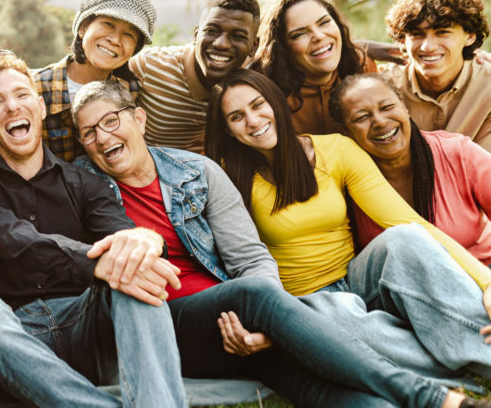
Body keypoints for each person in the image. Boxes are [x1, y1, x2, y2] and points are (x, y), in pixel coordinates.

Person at [72, 79, 479, 408]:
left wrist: (261, 328)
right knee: (260, 297)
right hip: (169, 320)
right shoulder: (84, 188)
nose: (101, 136)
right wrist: (263, 310)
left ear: (139, 119)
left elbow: (249, 256)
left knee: (310, 383)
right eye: (88, 132)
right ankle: (429, 395)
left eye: (110, 121)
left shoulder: (196, 172)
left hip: (238, 316)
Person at [206, 69, 491, 379]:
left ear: (275, 102)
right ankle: (449, 367)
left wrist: (487, 283)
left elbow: (408, 221)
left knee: (404, 237)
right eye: (236, 116)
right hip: (304, 302)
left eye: (258, 104)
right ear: (228, 131)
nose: (252, 120)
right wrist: (273, 322)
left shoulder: (336, 150)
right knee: (342, 320)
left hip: (358, 280)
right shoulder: (226, 177)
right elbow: (234, 261)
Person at [0, 51, 185, 407]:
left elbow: (123, 234)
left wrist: (144, 240)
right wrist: (94, 263)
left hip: (86, 323)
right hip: (15, 335)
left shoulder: (85, 181)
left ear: (40, 108)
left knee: (132, 273)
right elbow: (10, 237)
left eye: (21, 95)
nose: (12, 107)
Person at [329, 73, 491, 262]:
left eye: (387, 107)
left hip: (482, 274)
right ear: (346, 131)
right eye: (362, 117)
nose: (380, 121)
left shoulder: (457, 152)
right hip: (400, 288)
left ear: (405, 107)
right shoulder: (343, 182)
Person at [126, 0, 259, 153]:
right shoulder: (149, 66)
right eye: (211, 31)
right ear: (196, 35)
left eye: (238, 36)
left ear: (254, 46)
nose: (221, 44)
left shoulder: (253, 86)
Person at [35, 0, 155, 162]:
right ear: (83, 28)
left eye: (129, 35)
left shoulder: (130, 90)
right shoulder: (36, 88)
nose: (115, 40)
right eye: (108, 24)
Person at [379, 0, 491, 152]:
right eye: (417, 34)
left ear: (469, 36)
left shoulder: (487, 85)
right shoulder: (383, 86)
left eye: (442, 33)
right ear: (402, 40)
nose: (428, 46)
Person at [257, 0, 371, 135]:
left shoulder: (363, 67)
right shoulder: (265, 96)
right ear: (282, 48)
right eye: (300, 33)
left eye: (324, 22)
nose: (318, 36)